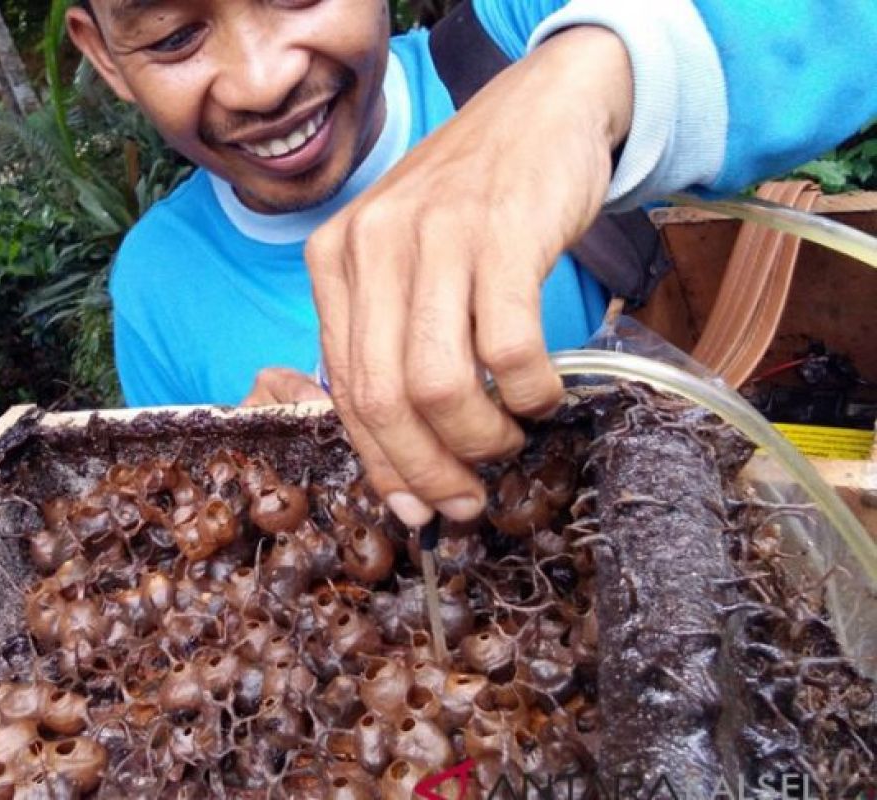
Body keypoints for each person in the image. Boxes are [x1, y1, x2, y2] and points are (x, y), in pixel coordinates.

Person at [66, 0, 877, 526]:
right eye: (175, 36)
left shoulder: (514, 36)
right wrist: (256, 487)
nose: (262, 80)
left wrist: (589, 75)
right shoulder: (154, 285)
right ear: (105, 57)